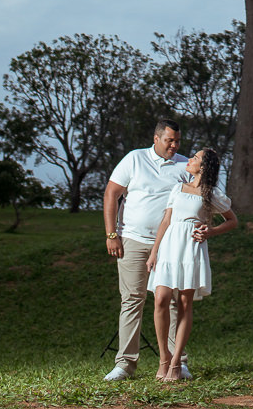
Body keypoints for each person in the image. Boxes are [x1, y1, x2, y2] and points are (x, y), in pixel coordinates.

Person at [102, 119, 188, 382]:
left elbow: (198, 197)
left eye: (177, 141)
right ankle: (125, 364)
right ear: (156, 138)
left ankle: (177, 363)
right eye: (169, 140)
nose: (174, 146)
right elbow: (111, 194)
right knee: (131, 300)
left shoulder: (186, 165)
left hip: (171, 243)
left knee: (173, 301)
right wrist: (112, 234)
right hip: (134, 240)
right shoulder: (134, 159)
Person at [146, 147, 238, 381]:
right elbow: (166, 220)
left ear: (204, 166)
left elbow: (232, 221)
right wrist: (154, 251)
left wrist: (211, 231)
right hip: (169, 246)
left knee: (185, 303)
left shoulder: (211, 194)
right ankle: (163, 358)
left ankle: (176, 363)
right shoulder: (178, 187)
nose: (189, 160)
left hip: (191, 248)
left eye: (195, 158)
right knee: (160, 300)